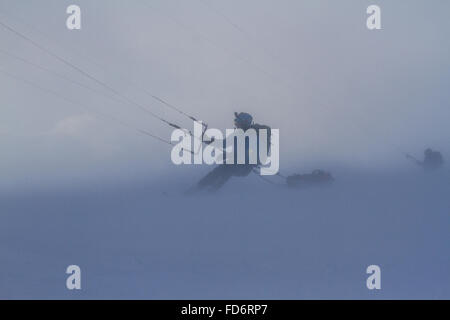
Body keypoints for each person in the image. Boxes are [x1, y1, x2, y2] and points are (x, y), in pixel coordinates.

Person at [194, 112, 271, 192]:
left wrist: (229, 155)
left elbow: (249, 154)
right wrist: (208, 140)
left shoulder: (252, 136)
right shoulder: (238, 134)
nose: (236, 124)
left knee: (225, 168)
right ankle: (209, 189)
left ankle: (202, 188)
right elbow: (224, 144)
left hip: (245, 167)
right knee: (226, 168)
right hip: (238, 164)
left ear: (244, 123)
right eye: (236, 121)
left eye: (237, 121)